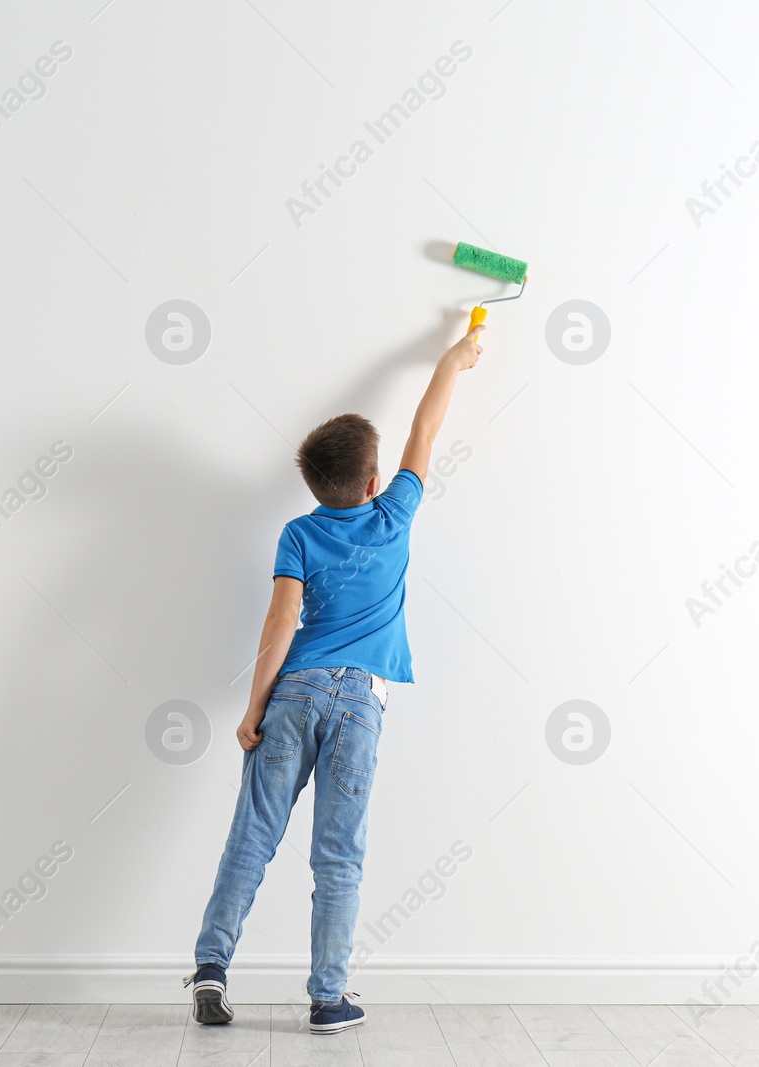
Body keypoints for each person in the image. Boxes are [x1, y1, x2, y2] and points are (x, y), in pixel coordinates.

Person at [183, 321, 485, 1034]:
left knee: (252, 837)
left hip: (294, 692)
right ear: (375, 482)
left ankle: (211, 969)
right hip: (360, 705)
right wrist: (455, 357)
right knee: (338, 853)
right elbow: (426, 426)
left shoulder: (298, 532)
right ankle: (327, 996)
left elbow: (278, 627)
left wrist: (252, 710)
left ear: (312, 484)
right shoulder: (394, 513)